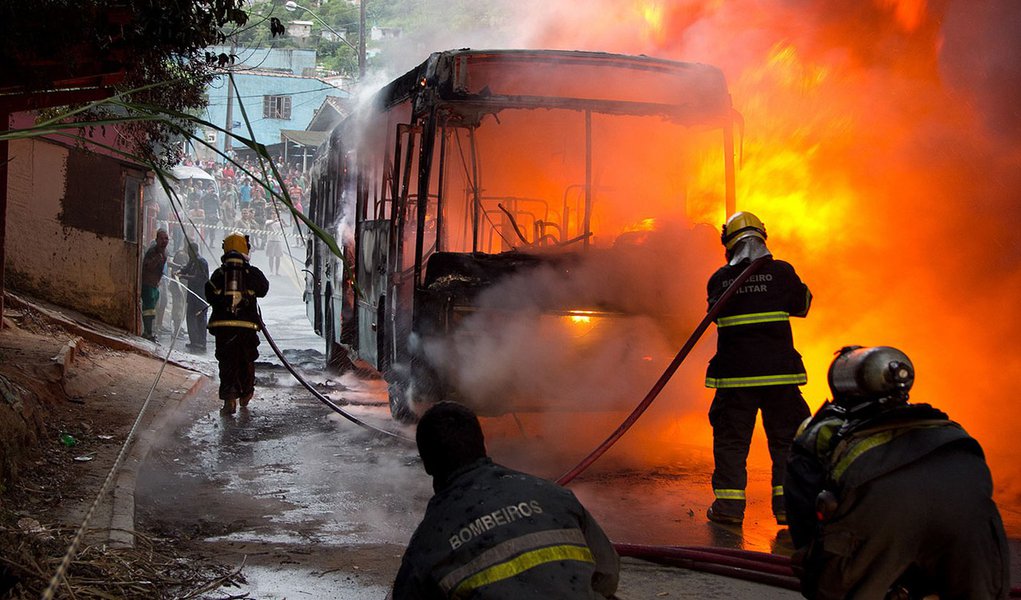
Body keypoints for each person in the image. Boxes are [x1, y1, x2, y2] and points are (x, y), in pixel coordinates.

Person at [784, 345, 1009, 599]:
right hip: (969, 517)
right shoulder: (941, 422)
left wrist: (815, 563)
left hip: (884, 513)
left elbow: (803, 508)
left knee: (834, 586)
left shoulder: (823, 429)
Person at [391, 402, 620, 599]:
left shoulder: (428, 544)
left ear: (427, 464)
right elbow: (608, 575)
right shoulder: (554, 495)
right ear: (484, 445)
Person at [704, 211, 812, 526]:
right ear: (763, 238)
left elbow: (713, 312)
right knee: (787, 440)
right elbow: (802, 305)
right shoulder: (781, 273)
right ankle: (787, 509)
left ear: (728, 243)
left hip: (736, 379)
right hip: (780, 377)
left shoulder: (720, 279)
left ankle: (728, 509)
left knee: (732, 441)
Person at [205, 232, 269, 414]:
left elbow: (209, 293)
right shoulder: (252, 273)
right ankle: (246, 395)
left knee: (227, 363)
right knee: (246, 360)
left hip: (223, 328)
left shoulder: (219, 274)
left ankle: (229, 399)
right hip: (247, 328)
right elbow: (263, 289)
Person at [178, 241, 210, 352]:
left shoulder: (201, 262)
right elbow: (186, 268)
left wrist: (184, 276)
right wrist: (180, 271)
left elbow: (198, 278)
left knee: (200, 318)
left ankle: (201, 342)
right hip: (191, 295)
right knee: (190, 318)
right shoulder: (192, 261)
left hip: (200, 295)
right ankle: (194, 341)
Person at [140, 228, 169, 342]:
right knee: (148, 309)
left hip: (156, 285)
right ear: (156, 239)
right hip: (148, 285)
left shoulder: (165, 253)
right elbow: (148, 267)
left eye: (166, 238)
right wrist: (157, 259)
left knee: (153, 310)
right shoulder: (153, 252)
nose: (164, 241)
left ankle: (150, 331)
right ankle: (147, 332)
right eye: (161, 238)